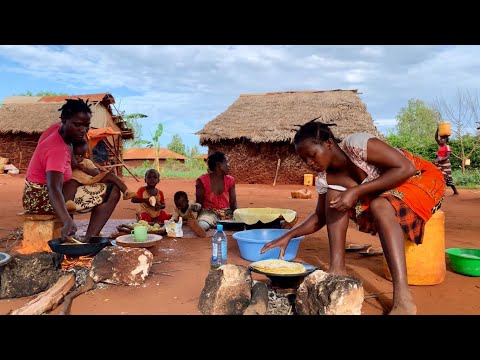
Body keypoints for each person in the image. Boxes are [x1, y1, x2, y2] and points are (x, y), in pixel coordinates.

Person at [261, 120, 446, 315]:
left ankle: (403, 297)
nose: (310, 163)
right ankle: (338, 268)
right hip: (385, 193)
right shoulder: (325, 178)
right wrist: (289, 235)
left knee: (379, 205)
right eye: (304, 160)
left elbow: (406, 168)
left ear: (329, 144)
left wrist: (357, 191)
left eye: (312, 155)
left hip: (418, 178)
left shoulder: (357, 145)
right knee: (334, 196)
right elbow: (320, 217)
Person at [22, 98, 122, 241]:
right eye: (77, 125)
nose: (83, 130)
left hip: (31, 193)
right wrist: (67, 220)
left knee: (76, 182)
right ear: (64, 119)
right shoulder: (58, 148)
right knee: (112, 190)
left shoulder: (55, 129)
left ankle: (86, 237)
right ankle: (89, 239)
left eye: (86, 125)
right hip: (41, 198)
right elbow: (53, 188)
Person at [63, 139, 136, 211]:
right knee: (70, 185)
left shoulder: (87, 162)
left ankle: (126, 191)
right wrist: (72, 166)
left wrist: (85, 169)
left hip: (90, 179)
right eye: (75, 155)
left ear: (85, 154)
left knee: (110, 175)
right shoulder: (67, 162)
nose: (78, 157)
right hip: (75, 180)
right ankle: (69, 202)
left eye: (81, 155)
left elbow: (96, 173)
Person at [195, 152, 238, 231]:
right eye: (226, 162)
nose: (229, 165)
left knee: (239, 225)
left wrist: (238, 216)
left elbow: (233, 202)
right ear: (218, 165)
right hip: (208, 213)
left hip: (226, 213)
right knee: (202, 225)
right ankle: (212, 224)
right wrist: (199, 214)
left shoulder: (230, 180)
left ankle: (216, 225)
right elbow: (199, 204)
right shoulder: (202, 181)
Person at [434, 128, 459, 196]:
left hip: (445, 164)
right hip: (439, 163)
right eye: (441, 138)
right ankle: (438, 191)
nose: (440, 139)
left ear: (445, 140)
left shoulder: (447, 147)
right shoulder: (440, 145)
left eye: (442, 139)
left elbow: (447, 156)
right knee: (438, 176)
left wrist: (440, 159)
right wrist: (437, 130)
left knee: (448, 178)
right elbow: (436, 137)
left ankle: (455, 191)